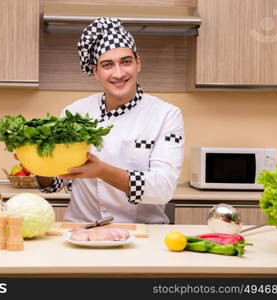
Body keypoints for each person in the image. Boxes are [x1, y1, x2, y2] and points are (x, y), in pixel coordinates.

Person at [36, 17, 184, 224]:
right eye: (107, 65)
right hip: (81, 229)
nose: (119, 73)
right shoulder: (74, 112)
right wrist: (37, 161)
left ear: (138, 63)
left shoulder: (166, 115)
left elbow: (162, 189)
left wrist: (103, 171)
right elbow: (55, 184)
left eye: (126, 62)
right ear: (95, 72)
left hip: (143, 233)